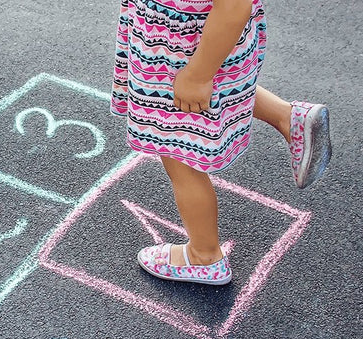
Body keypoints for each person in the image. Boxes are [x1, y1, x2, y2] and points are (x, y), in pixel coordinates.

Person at [111, 0, 331, 285]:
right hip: (184, 41)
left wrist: (197, 75)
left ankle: (204, 256)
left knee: (179, 153)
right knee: (222, 92)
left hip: (186, 47)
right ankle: (288, 118)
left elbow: (232, 6)